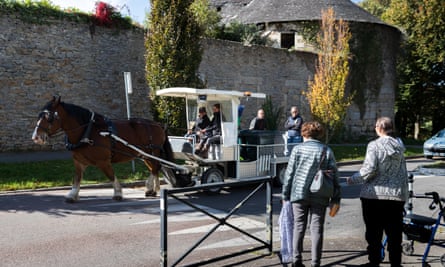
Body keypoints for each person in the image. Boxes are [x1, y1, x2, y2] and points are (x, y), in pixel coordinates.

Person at [347, 117, 408, 267]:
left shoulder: (374, 145)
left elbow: (369, 170)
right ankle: (396, 264)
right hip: (396, 196)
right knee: (394, 235)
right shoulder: (399, 147)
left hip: (374, 196)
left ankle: (374, 263)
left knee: (373, 234)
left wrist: (353, 179)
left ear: (379, 128)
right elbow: (403, 173)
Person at [282, 121, 341, 267]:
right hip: (320, 193)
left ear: (303, 133)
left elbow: (289, 174)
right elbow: (334, 175)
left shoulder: (297, 149)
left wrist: (285, 195)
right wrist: (336, 197)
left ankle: (297, 261)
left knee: (298, 226)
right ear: (319, 134)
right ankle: (316, 263)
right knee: (317, 228)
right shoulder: (326, 150)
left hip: (298, 193)